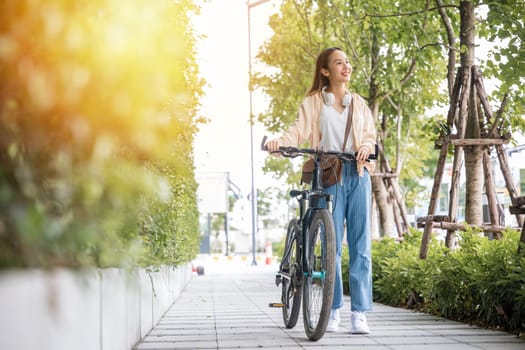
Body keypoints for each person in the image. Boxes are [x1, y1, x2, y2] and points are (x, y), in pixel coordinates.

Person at [265, 47, 376, 334]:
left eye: (348, 62)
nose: (346, 66)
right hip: (329, 172)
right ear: (325, 71)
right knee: (332, 248)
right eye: (339, 63)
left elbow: (370, 136)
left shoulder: (359, 104)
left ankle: (360, 313)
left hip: (358, 173)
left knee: (361, 247)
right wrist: (279, 142)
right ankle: (334, 308)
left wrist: (366, 146)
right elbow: (297, 131)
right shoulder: (315, 102)